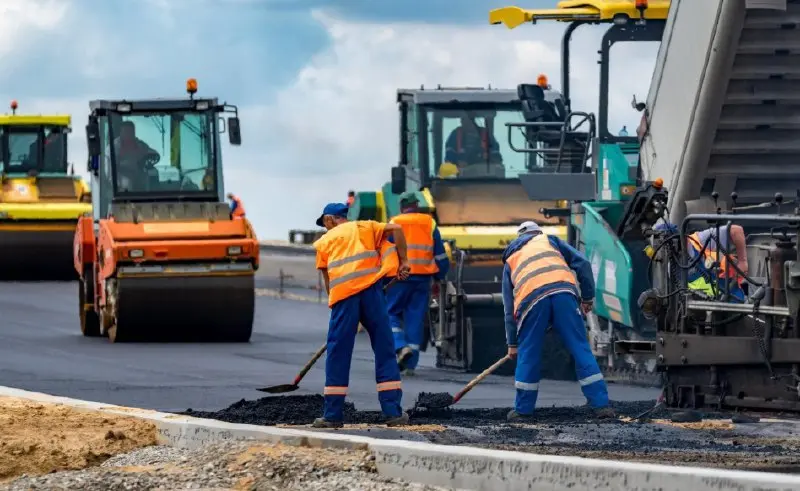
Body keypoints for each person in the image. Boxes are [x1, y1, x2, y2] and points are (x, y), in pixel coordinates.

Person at [502, 220, 614, 422]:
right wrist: (587, 297)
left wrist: (512, 343)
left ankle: (523, 410)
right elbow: (583, 263)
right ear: (537, 233)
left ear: (519, 238)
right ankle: (601, 405)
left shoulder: (511, 258)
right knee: (580, 348)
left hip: (531, 301)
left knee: (528, 353)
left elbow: (509, 308)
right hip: (564, 293)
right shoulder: (550, 241)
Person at [312, 202, 412, 428]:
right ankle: (393, 412)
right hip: (372, 293)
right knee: (385, 349)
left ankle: (332, 415)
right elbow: (397, 229)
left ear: (329, 219)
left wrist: (338, 311)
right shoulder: (365, 227)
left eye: (324, 223)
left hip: (344, 298)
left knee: (338, 353)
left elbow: (328, 282)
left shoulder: (325, 242)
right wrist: (404, 261)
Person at [385, 192, 450, 376]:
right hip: (422, 280)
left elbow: (385, 253)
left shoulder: (394, 222)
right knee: (415, 319)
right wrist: (440, 275)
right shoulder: (429, 223)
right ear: (416, 205)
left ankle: (400, 346)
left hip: (399, 278)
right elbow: (440, 254)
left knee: (389, 313)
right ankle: (410, 365)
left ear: (401, 206)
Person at [656, 222, 748, 302]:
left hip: (731, 299)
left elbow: (736, 230)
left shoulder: (700, 240)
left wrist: (742, 261)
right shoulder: (672, 267)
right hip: (700, 309)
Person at [115, 121, 160, 190]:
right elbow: (109, 170)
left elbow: (152, 153)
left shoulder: (140, 144)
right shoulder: (114, 147)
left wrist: (152, 157)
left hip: (138, 173)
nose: (129, 134)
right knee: (127, 182)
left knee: (152, 174)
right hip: (121, 176)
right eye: (127, 132)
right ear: (121, 132)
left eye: (131, 132)